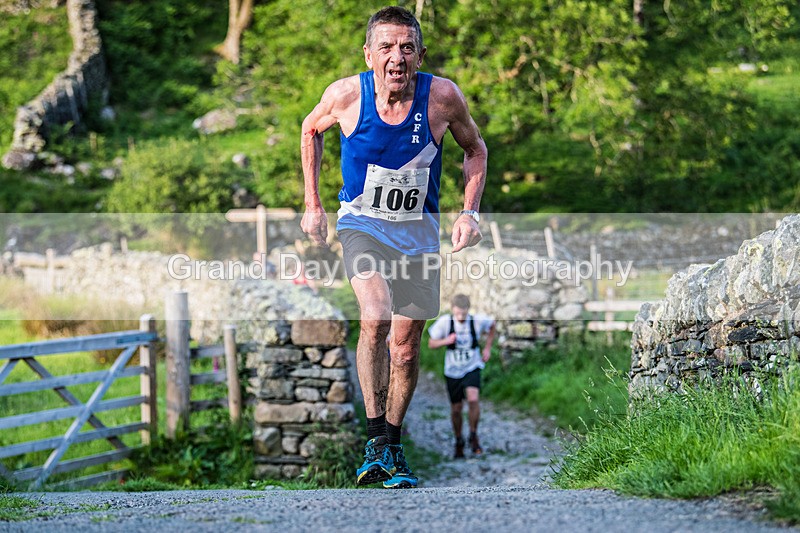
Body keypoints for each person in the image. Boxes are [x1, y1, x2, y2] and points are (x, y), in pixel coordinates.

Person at [300, 6, 487, 489]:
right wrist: (313, 203)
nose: (397, 58)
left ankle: (394, 445)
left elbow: (476, 150)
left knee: (404, 348)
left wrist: (469, 212)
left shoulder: (442, 98)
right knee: (376, 315)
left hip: (419, 234)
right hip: (362, 225)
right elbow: (309, 130)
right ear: (369, 54)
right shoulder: (345, 96)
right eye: (386, 47)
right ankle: (373, 442)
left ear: (420, 54)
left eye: (407, 47)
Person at [427, 294, 496, 458]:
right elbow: (431, 343)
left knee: (473, 399)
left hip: (472, 366)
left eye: (463, 314)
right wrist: (446, 341)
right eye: (458, 314)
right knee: (456, 409)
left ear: (468, 310)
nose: (461, 317)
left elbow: (492, 326)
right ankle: (458, 439)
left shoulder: (477, 320)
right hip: (452, 370)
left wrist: (487, 348)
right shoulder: (445, 322)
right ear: (453, 310)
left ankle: (473, 435)